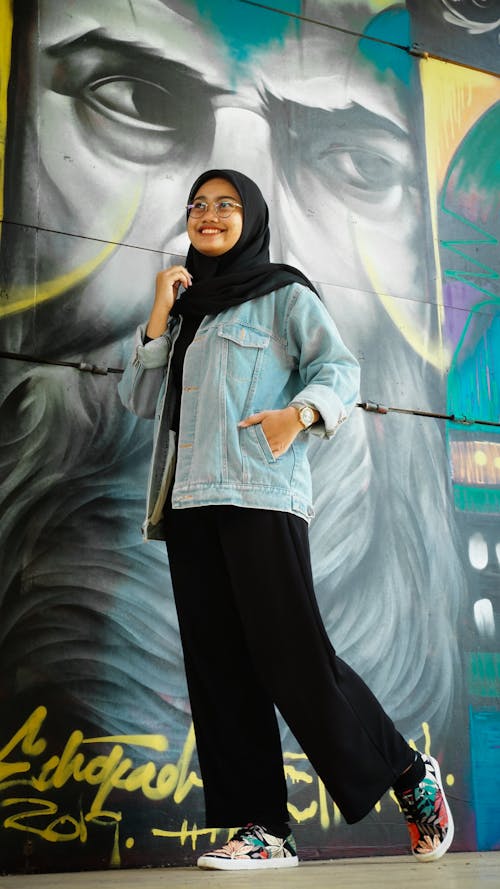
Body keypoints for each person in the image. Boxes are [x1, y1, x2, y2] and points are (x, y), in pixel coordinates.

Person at [118, 168, 454, 870]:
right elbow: (139, 399)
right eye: (199, 205)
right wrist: (158, 311)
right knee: (218, 670)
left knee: (294, 659)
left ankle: (408, 774)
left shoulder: (281, 294)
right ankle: (262, 828)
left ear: (253, 217)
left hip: (259, 494)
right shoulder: (187, 309)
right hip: (187, 505)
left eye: (226, 205)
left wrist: (297, 415)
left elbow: (339, 369)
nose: (209, 215)